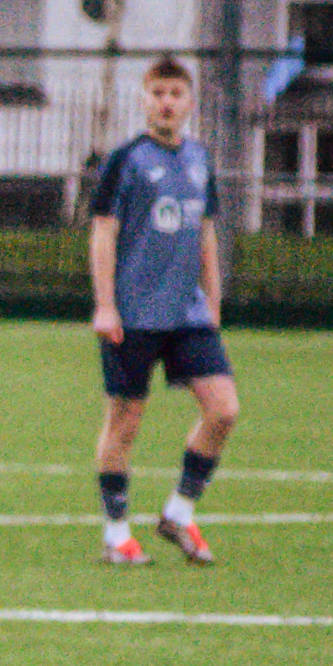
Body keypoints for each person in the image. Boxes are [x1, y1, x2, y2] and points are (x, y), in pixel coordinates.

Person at [87, 56, 238, 565]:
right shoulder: (125, 160)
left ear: (190, 101)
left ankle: (179, 512)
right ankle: (115, 535)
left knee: (223, 409)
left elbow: (207, 233)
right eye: (158, 93)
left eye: (176, 93)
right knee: (124, 422)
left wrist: (214, 302)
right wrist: (106, 305)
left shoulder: (199, 159)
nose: (167, 102)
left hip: (187, 314)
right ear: (144, 99)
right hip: (132, 314)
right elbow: (103, 230)